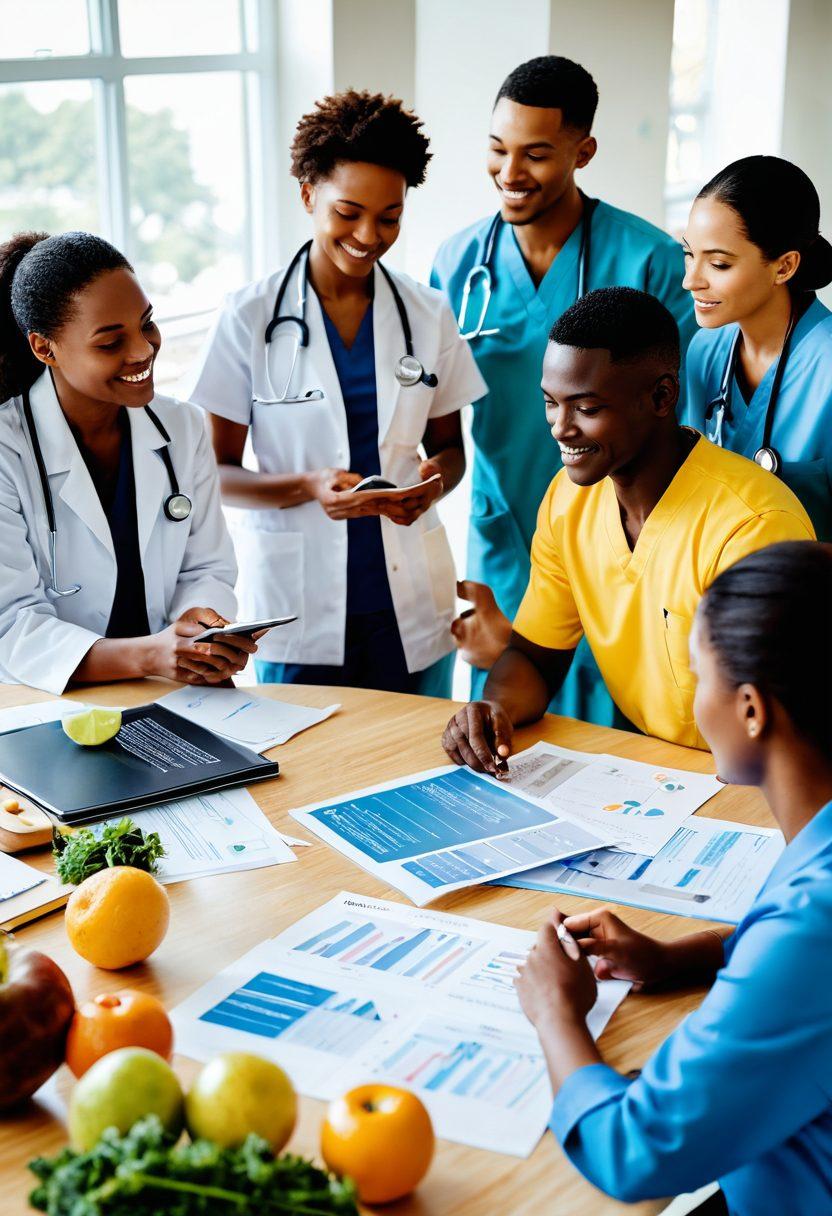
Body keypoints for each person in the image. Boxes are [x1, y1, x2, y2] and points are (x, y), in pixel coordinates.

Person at [515, 540, 832, 1216]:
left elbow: (637, 1154)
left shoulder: (815, 921)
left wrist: (554, 1012)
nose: (694, 702)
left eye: (699, 674)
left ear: (751, 708)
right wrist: (672, 956)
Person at [185, 90, 485, 696]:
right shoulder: (249, 317)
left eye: (390, 216)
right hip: (301, 612)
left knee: (420, 774)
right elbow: (213, 472)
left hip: (410, 608)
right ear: (308, 196)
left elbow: (452, 448)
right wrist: (307, 487)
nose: (369, 234)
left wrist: (430, 487)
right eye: (347, 212)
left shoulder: (426, 313)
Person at [441, 287, 814, 765]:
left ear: (661, 397)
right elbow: (535, 658)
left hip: (755, 774)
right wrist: (494, 710)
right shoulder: (567, 499)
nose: (559, 426)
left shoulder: (750, 527)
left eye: (587, 408)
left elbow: (787, 724)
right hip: (655, 768)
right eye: (551, 402)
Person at [431, 55, 696, 724]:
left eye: (537, 154)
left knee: (617, 732)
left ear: (584, 151)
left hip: (622, 529)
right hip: (507, 535)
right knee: (503, 729)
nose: (511, 174)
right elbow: (430, 413)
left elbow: (678, 416)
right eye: (497, 150)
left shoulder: (648, 259)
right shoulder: (460, 264)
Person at [0, 231, 252, 696]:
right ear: (44, 348)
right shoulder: (6, 450)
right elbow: (12, 627)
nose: (143, 351)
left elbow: (207, 568)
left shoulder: (183, 426)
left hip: (173, 693)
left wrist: (200, 626)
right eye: (111, 342)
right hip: (51, 703)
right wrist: (154, 653)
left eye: (147, 324)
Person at [682, 155, 832, 541]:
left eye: (718, 264)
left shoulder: (826, 365)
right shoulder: (705, 351)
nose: (690, 281)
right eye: (688, 254)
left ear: (784, 267)